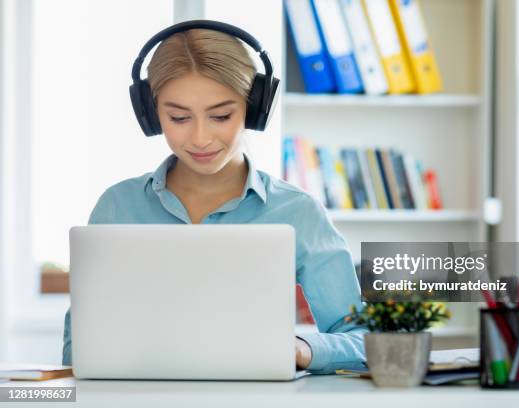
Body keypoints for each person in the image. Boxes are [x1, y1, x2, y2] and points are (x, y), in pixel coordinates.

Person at [62, 22, 366, 374]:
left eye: (221, 115)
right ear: (151, 114)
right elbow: (80, 343)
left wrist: (301, 348)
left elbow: (362, 339)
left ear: (254, 108)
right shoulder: (117, 206)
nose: (201, 138)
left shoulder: (298, 212)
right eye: (178, 117)